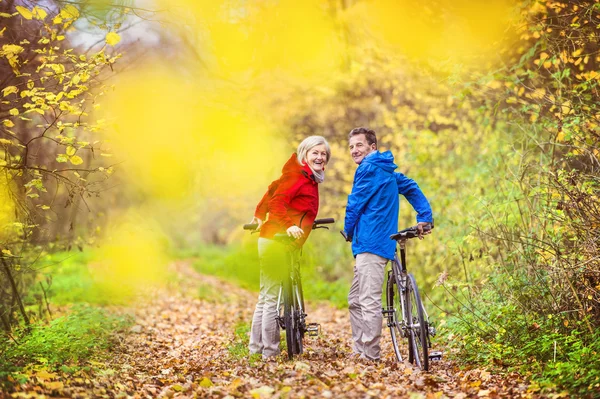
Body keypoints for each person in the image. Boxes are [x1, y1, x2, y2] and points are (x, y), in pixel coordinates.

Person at [342, 127, 433, 362]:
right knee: (355, 299)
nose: (354, 150)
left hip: (370, 243)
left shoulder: (368, 168)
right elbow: (411, 187)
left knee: (368, 300)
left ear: (373, 147)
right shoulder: (387, 170)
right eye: (351, 146)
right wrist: (425, 216)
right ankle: (359, 348)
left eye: (359, 145)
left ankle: (370, 355)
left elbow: (354, 204)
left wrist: (348, 231)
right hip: (379, 243)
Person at [248, 135, 331, 359]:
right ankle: (270, 354)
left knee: (266, 296)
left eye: (323, 154)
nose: (320, 157)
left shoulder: (305, 177)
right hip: (277, 240)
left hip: (275, 238)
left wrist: (258, 213)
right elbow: (277, 202)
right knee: (272, 298)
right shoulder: (298, 176)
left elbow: (272, 189)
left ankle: (256, 350)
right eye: (315, 152)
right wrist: (288, 226)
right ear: (304, 154)